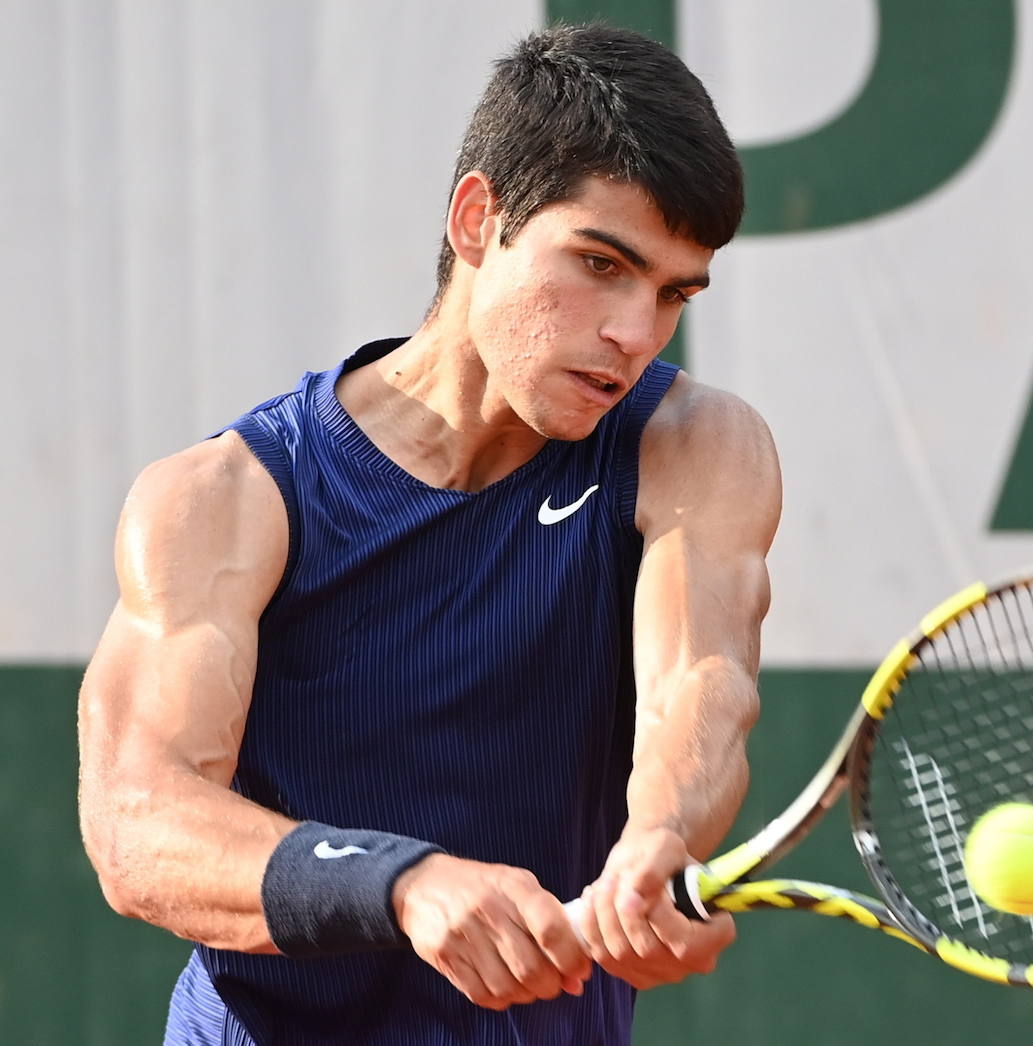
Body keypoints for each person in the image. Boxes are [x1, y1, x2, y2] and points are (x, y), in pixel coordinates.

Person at [76, 22, 780, 1045]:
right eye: (600, 263)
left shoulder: (695, 446)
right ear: (476, 217)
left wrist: (659, 839)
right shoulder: (227, 496)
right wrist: (400, 882)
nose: (635, 331)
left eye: (673, 293)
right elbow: (135, 820)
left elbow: (700, 687)